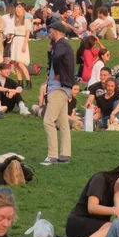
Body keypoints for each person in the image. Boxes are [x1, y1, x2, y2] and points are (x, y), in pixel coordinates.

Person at [41, 23, 75, 166]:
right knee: (63, 123)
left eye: (50, 31)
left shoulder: (61, 44)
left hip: (58, 88)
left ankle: (52, 156)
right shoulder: (63, 45)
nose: (49, 34)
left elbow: (57, 58)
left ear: (56, 32)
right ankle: (64, 155)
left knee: (48, 121)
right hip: (64, 88)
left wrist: (59, 74)